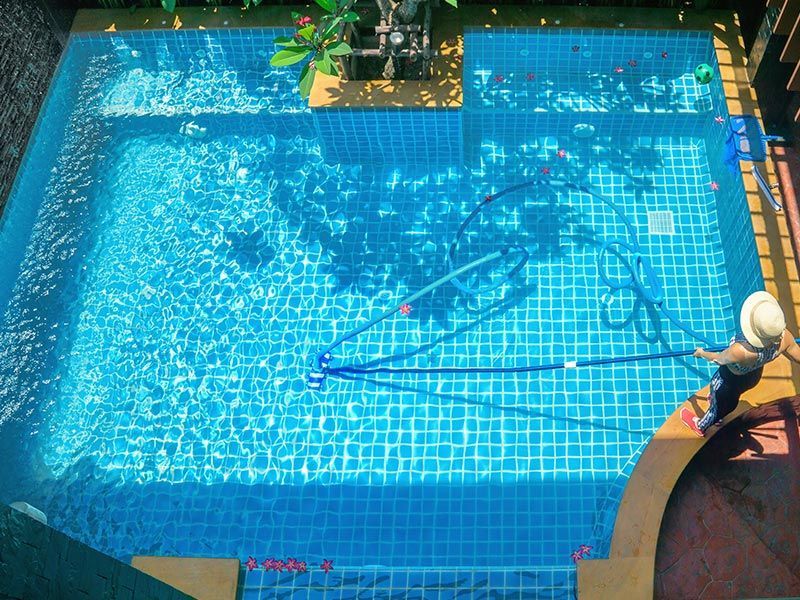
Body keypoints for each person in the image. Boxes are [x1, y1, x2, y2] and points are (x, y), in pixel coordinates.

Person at [682, 291, 800, 436]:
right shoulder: (785, 338)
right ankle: (717, 408)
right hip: (752, 378)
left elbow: (718, 359)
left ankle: (701, 425)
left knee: (721, 402)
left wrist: (701, 353)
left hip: (728, 381)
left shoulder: (741, 350)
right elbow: (797, 356)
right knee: (725, 401)